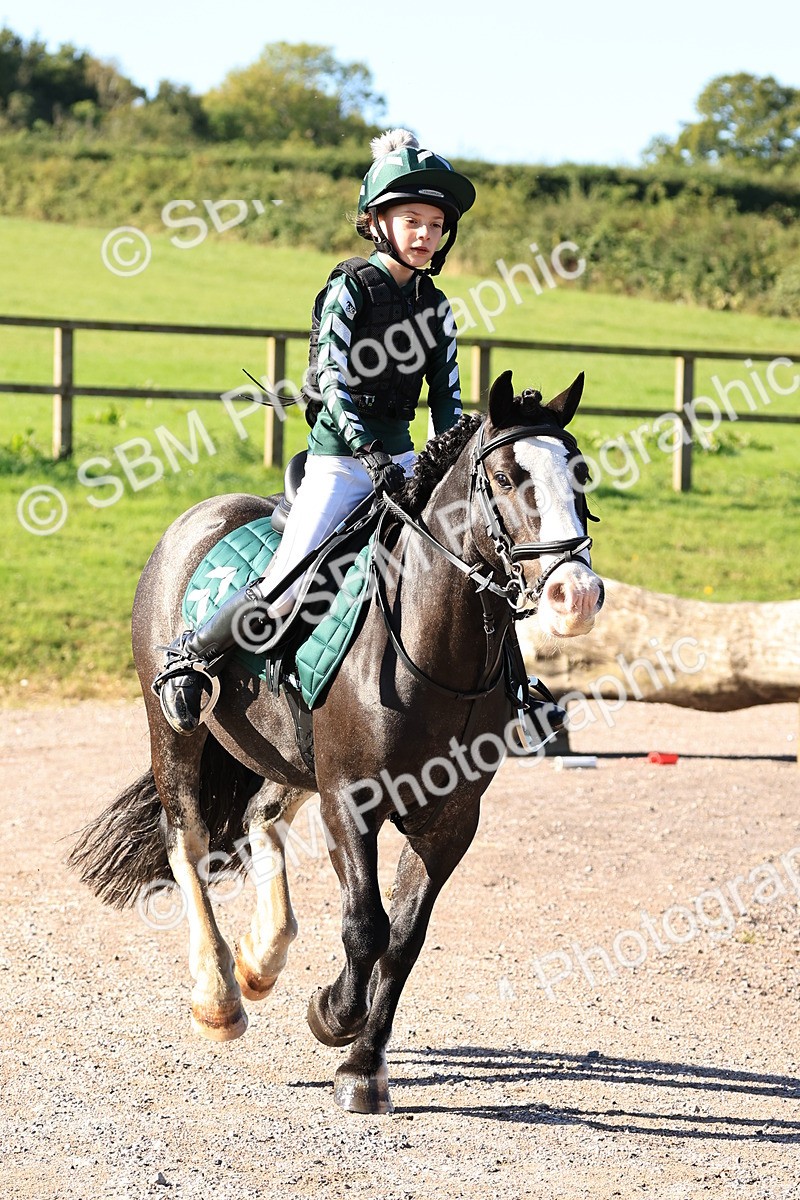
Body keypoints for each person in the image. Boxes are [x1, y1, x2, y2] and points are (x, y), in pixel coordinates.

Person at [153, 129, 476, 733]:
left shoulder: (437, 308)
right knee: (287, 581)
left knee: (466, 561)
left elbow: (448, 403)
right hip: (341, 464)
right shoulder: (348, 290)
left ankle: (513, 685)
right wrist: (371, 456)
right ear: (379, 221)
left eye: (435, 224)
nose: (427, 234)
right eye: (413, 220)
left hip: (404, 462)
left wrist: (446, 459)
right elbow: (333, 384)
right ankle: (190, 657)